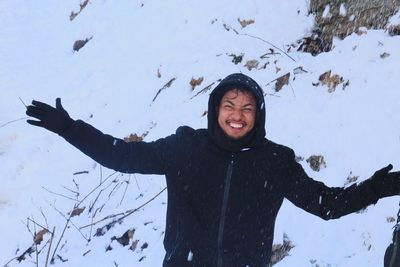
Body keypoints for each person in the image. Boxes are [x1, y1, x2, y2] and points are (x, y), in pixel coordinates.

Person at [26, 73, 400, 267]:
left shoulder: (275, 160)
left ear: (259, 115)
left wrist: (377, 188)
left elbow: (325, 204)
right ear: (214, 108)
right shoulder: (186, 148)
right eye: (230, 104)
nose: (237, 115)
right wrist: (70, 128)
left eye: (248, 108)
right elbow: (122, 157)